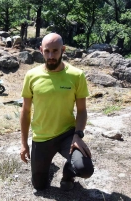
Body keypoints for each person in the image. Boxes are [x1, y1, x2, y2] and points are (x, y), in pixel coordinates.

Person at [20, 33, 94, 191]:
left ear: (63, 50)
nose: (51, 56)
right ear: (41, 50)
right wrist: (24, 143)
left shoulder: (76, 75)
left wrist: (78, 135)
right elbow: (26, 111)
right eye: (47, 51)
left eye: (55, 51)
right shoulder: (31, 76)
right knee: (40, 187)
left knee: (85, 169)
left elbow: (82, 110)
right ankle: (47, 166)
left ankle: (68, 173)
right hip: (41, 138)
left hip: (67, 135)